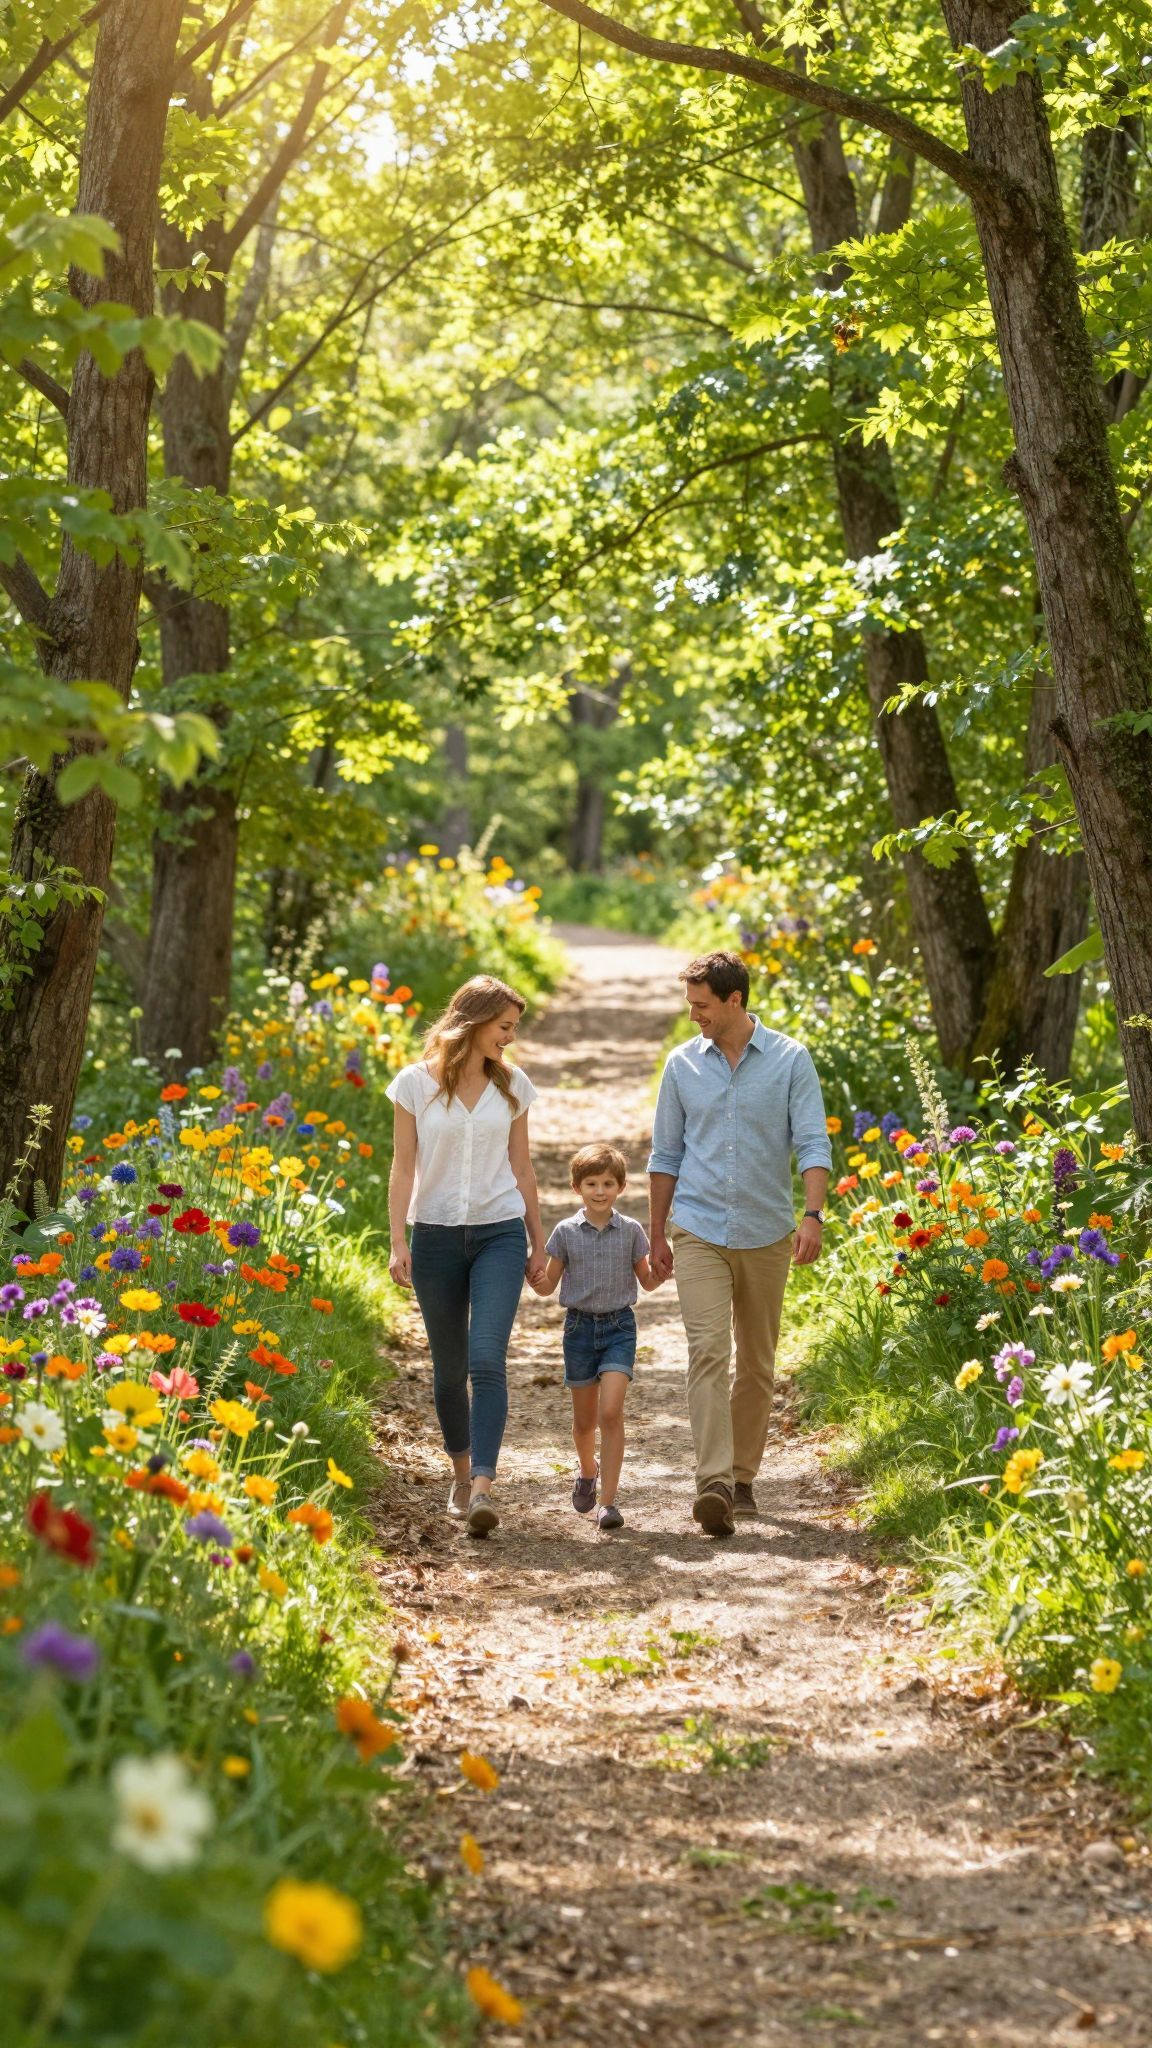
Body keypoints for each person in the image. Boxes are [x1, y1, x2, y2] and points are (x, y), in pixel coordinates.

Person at [647, 951, 831, 1537]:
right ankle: (715, 1483)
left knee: (756, 1361)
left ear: (735, 1000)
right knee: (708, 1351)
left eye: (702, 1006)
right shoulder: (681, 1066)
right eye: (689, 1005)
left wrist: (813, 1215)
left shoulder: (789, 1060)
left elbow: (812, 1142)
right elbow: (665, 1155)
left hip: (766, 1230)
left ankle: (744, 1476)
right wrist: (656, 1232)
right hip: (697, 1226)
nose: (693, 1016)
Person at [387, 975, 547, 1538]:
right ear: (473, 1021)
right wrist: (397, 1240)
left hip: (499, 1233)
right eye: (503, 1027)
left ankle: (482, 1485)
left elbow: (523, 1169)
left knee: (486, 1359)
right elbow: (403, 1168)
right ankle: (459, 1472)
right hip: (433, 1236)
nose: (509, 1038)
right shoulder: (413, 1085)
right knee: (450, 1370)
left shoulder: (513, 1086)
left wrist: (538, 1240)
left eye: (512, 1029)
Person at [532, 1143, 661, 1533]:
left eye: (608, 1183)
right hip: (579, 1330)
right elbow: (548, 1285)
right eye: (591, 1183)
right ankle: (587, 1470)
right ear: (577, 1187)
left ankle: (608, 1502)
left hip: (620, 1327)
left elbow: (648, 1281)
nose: (600, 1191)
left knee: (611, 1412)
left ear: (620, 1187)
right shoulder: (566, 1232)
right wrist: (533, 1275)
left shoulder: (632, 1232)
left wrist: (664, 1269)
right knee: (585, 1421)